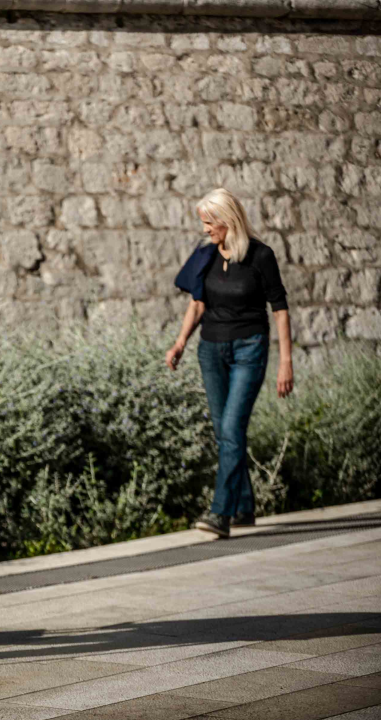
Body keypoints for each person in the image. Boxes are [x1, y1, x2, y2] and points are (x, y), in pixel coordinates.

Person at [166, 188, 294, 539]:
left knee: (232, 430)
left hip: (249, 350)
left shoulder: (260, 256)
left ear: (228, 221)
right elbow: (197, 304)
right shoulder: (205, 255)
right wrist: (179, 343)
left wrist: (286, 362)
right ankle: (243, 507)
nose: (205, 229)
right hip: (211, 350)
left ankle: (220, 512)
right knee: (226, 433)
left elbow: (279, 309)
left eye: (209, 222)